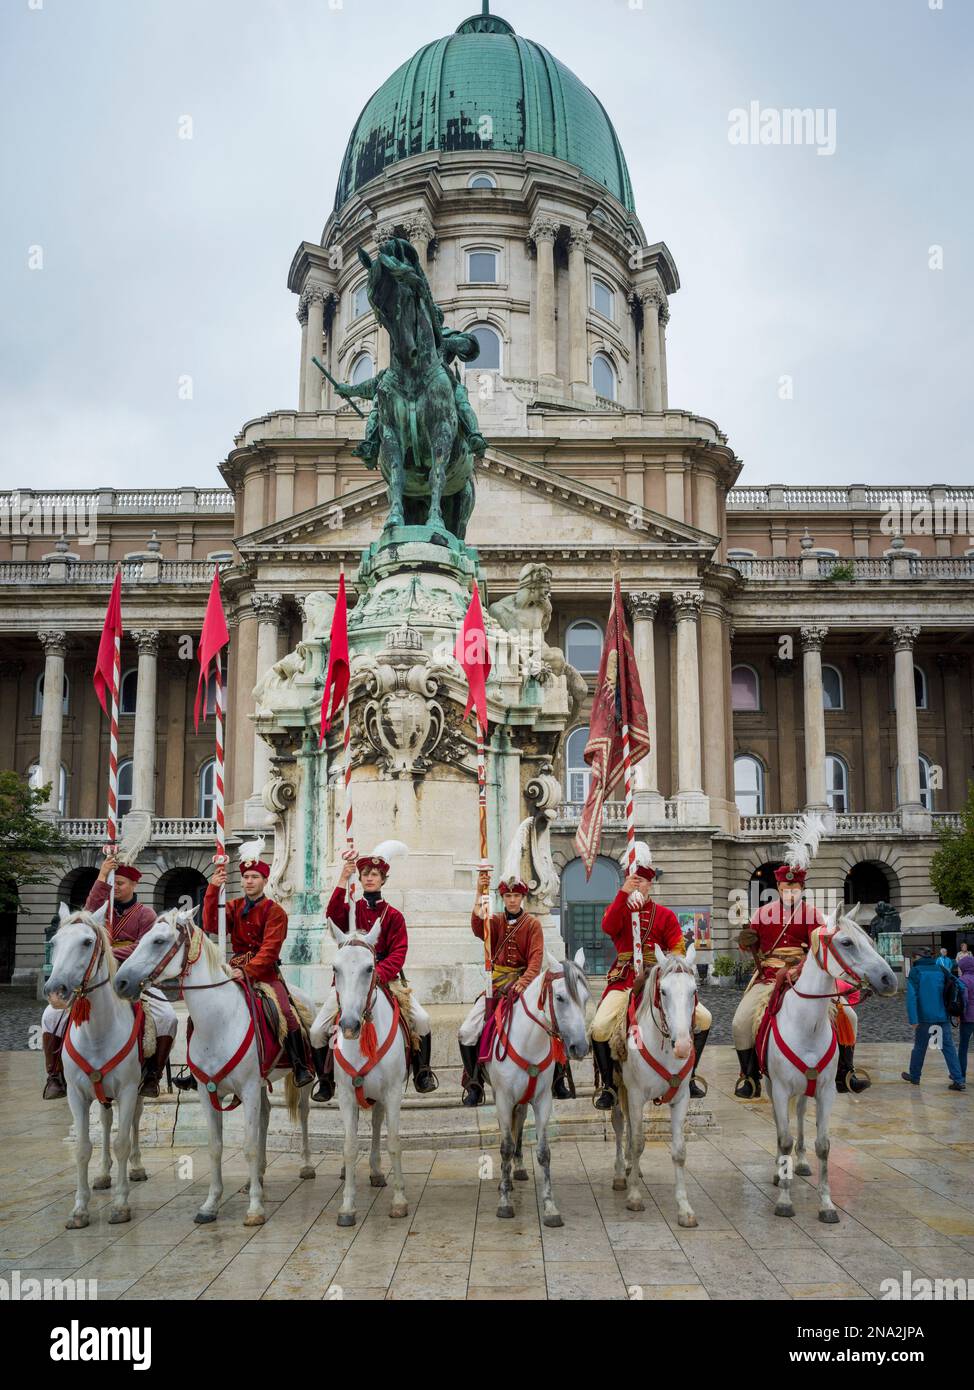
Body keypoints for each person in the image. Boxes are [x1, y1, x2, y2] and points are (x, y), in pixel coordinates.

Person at [41, 856, 178, 1100]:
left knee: (167, 1017)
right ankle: (54, 1076)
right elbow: (90, 907)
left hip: (133, 978)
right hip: (94, 979)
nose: (116, 888)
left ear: (134, 885)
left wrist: (108, 953)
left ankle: (152, 1076)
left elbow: (142, 948)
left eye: (121, 883)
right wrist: (103, 876)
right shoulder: (102, 912)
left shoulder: (145, 914)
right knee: (51, 1016)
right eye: (114, 884)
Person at [590, 843, 711, 1109]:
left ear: (650, 884)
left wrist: (663, 968)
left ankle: (688, 1076)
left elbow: (678, 949)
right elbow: (608, 926)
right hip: (624, 982)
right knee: (599, 1028)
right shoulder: (620, 910)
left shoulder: (665, 915)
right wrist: (623, 895)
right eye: (633, 880)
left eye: (642, 881)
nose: (638, 885)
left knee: (704, 1018)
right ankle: (609, 1085)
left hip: (658, 982)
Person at [313, 840, 436, 1101]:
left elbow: (399, 953)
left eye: (375, 875)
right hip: (351, 981)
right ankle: (325, 1080)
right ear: (360, 878)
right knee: (316, 1030)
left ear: (383, 880)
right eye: (365, 874)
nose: (370, 878)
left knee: (422, 1019)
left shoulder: (393, 916)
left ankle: (421, 1072)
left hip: (385, 979)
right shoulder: (352, 910)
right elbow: (332, 916)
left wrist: (378, 973)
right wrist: (342, 878)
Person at [457, 866, 572, 1107]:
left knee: (553, 1022)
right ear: (503, 898)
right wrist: (479, 891)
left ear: (522, 898)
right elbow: (478, 929)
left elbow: (536, 959)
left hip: (524, 987)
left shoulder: (532, 925)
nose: (512, 900)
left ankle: (559, 1078)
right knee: (467, 1031)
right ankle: (474, 1083)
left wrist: (523, 983)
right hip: (496, 987)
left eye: (516, 896)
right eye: (508, 896)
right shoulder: (495, 921)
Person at [198, 852, 314, 1088]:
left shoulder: (275, 911)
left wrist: (248, 971)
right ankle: (198, 1065)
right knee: (205, 1008)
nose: (249, 881)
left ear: (264, 881)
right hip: (232, 970)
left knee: (284, 1011)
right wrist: (212, 889)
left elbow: (270, 950)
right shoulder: (232, 906)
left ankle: (299, 1064)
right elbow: (211, 924)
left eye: (255, 877)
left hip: (264, 973)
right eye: (246, 877)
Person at [732, 862, 827, 1099]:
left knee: (847, 1016)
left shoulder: (813, 914)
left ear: (802, 887)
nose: (790, 890)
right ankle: (750, 1077)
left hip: (805, 976)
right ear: (778, 886)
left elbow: (819, 951)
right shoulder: (762, 913)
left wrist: (801, 969)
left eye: (795, 886)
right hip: (768, 977)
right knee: (739, 1022)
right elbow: (751, 946)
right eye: (786, 886)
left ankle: (846, 1071)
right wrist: (746, 941)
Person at [901, 949, 966, 1091]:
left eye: (914, 956)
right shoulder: (941, 969)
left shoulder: (916, 971)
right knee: (948, 1048)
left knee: (919, 1047)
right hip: (942, 1015)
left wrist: (913, 1019)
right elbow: (960, 985)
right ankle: (958, 1079)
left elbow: (912, 997)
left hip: (924, 1017)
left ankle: (915, 1076)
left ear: (918, 956)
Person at [957, 953, 974, 1081]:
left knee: (963, 1047)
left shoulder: (962, 980)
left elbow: (964, 999)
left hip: (967, 1019)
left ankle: (961, 1075)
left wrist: (959, 1014)